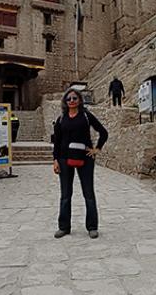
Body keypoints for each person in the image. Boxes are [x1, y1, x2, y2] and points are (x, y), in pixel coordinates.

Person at [52, 88, 108, 239]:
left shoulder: (86, 116)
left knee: (88, 193)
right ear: (65, 101)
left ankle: (92, 227)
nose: (71, 101)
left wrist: (97, 149)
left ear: (80, 100)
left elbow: (103, 132)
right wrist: (55, 160)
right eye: (69, 99)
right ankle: (64, 227)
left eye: (74, 98)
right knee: (65, 195)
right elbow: (56, 141)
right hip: (64, 159)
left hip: (85, 159)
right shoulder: (61, 119)